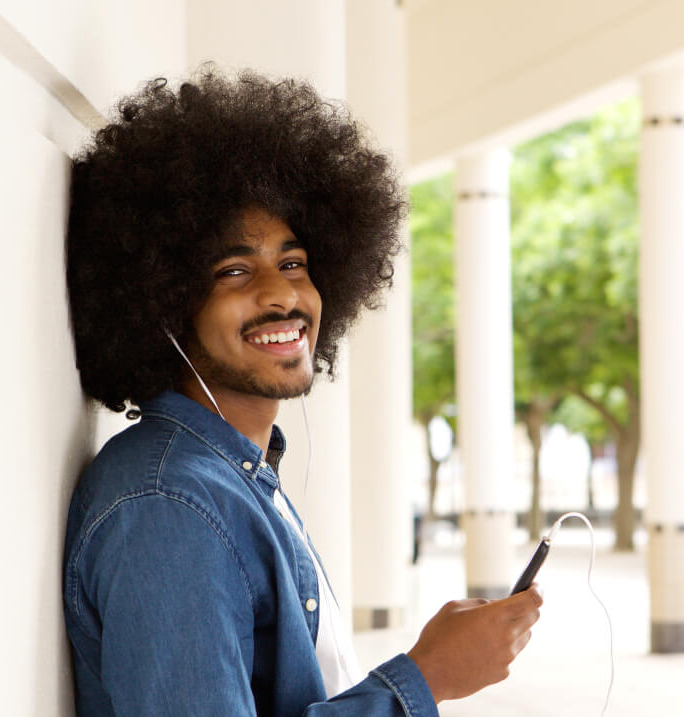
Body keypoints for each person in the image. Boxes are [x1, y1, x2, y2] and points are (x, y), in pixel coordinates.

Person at [63, 67, 542, 717]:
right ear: (164, 302)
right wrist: (423, 679)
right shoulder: (169, 505)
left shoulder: (236, 476)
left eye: (294, 263)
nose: (282, 294)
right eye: (235, 269)